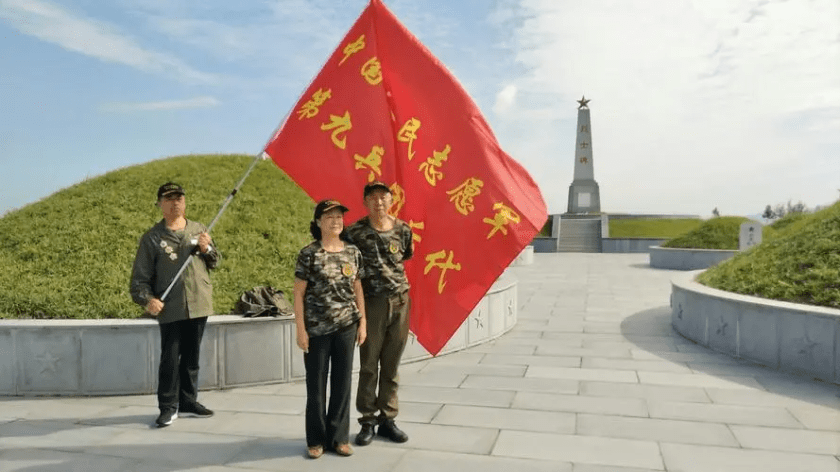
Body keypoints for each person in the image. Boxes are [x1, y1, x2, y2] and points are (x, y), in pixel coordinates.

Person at [130, 182, 219, 428]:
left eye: (179, 198)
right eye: (169, 199)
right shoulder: (152, 238)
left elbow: (215, 261)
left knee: (192, 356)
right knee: (170, 359)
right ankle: (168, 407)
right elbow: (139, 279)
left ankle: (188, 401)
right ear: (160, 204)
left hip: (198, 302)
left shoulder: (199, 229)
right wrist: (148, 299)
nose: (175, 203)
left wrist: (206, 248)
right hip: (171, 306)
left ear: (185, 202)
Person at [294, 199, 367, 459]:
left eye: (339, 217)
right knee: (316, 386)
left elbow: (357, 288)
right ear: (318, 222)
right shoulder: (309, 253)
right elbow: (298, 293)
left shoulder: (352, 252)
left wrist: (362, 322)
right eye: (329, 217)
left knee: (342, 384)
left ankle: (339, 438)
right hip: (317, 329)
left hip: (346, 326)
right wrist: (301, 329)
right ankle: (316, 440)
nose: (335, 221)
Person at [346, 181, 414, 446]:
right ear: (365, 202)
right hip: (371, 303)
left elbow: (405, 257)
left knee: (391, 364)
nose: (379, 202)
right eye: (373, 198)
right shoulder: (355, 232)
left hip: (399, 301)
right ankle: (367, 420)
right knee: (368, 365)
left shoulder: (403, 230)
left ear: (391, 201)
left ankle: (388, 418)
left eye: (383, 197)